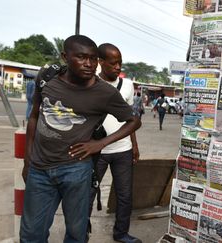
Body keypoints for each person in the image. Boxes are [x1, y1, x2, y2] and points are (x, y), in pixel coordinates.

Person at [20, 35, 141, 243]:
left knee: (77, 233)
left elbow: (133, 120)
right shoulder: (46, 78)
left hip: (76, 170)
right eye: (82, 57)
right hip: (39, 169)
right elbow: (34, 116)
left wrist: (100, 143)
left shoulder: (104, 92)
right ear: (65, 57)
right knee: (31, 234)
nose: (89, 64)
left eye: (93, 59)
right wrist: (27, 158)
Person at [89, 43, 142, 243]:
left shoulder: (127, 85)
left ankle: (121, 233)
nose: (118, 67)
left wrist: (134, 146)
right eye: (113, 63)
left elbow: (131, 119)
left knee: (125, 196)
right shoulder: (90, 83)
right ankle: (81, 232)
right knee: (88, 193)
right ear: (100, 62)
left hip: (123, 150)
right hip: (97, 151)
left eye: (120, 63)